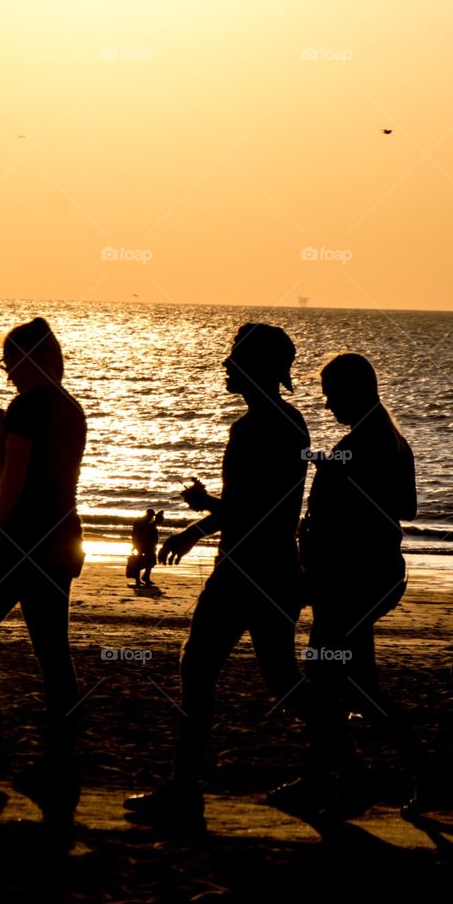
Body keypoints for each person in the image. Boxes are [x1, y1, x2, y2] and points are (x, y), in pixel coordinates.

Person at [124, 323, 319, 833]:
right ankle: (345, 760)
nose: (226, 366)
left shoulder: (253, 429)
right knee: (280, 678)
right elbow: (264, 508)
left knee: (198, 669)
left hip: (242, 572)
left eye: (235, 360)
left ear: (252, 368)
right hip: (277, 568)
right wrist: (197, 527)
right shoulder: (292, 423)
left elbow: (249, 508)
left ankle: (184, 790)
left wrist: (203, 508)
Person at [0, 317, 86, 788]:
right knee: (52, 653)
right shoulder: (68, 407)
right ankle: (61, 758)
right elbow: (43, 459)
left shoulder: (27, 407)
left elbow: (15, 480)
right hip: (62, 540)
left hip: (21, 543)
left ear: (31, 359)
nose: (7, 371)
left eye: (11, 360)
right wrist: (1, 425)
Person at [293, 352, 426, 813]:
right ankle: (325, 775)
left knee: (335, 678)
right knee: (336, 678)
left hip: (354, 581)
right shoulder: (388, 440)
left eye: (331, 394)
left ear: (353, 392)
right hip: (362, 578)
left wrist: (346, 477)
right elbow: (405, 508)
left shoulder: (368, 445)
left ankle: (415, 771)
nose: (327, 404)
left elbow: (396, 508)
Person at [129, 509, 160, 586]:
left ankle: (143, 578)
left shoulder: (143, 522)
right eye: (151, 516)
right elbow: (135, 534)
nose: (152, 517)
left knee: (149, 561)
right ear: (148, 514)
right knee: (148, 561)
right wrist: (134, 545)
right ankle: (141, 578)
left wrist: (134, 544)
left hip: (145, 545)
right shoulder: (145, 522)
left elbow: (133, 534)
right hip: (144, 545)